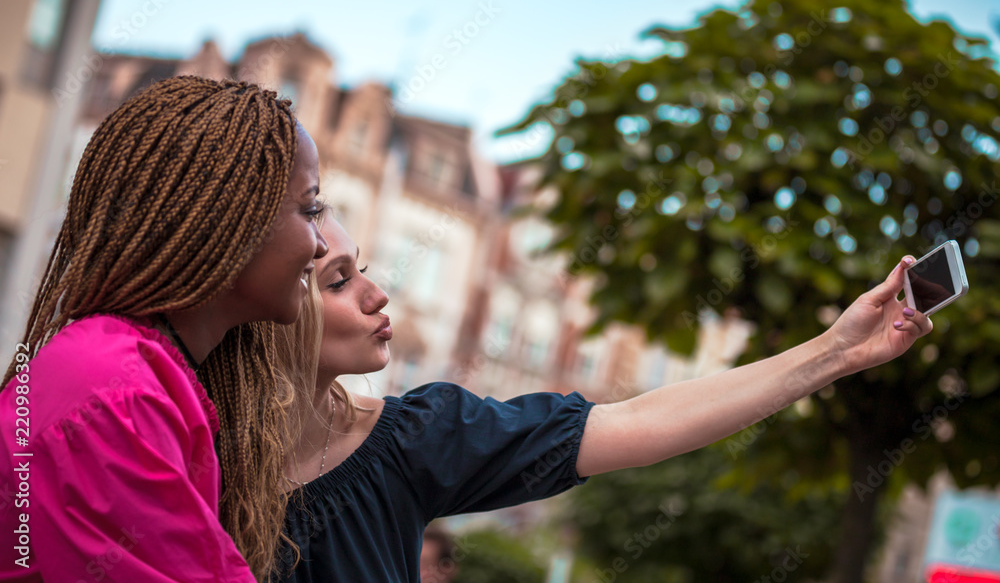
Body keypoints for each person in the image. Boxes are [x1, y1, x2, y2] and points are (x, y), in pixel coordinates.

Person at [270, 214, 932, 581]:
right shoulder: (181, 445)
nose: (376, 293)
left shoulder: (418, 439)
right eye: (336, 279)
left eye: (365, 269)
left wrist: (835, 350)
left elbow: (638, 421)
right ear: (267, 297)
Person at [0, 76, 329, 581]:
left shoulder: (131, 372)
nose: (322, 247)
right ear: (231, 219)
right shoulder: (116, 396)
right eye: (309, 210)